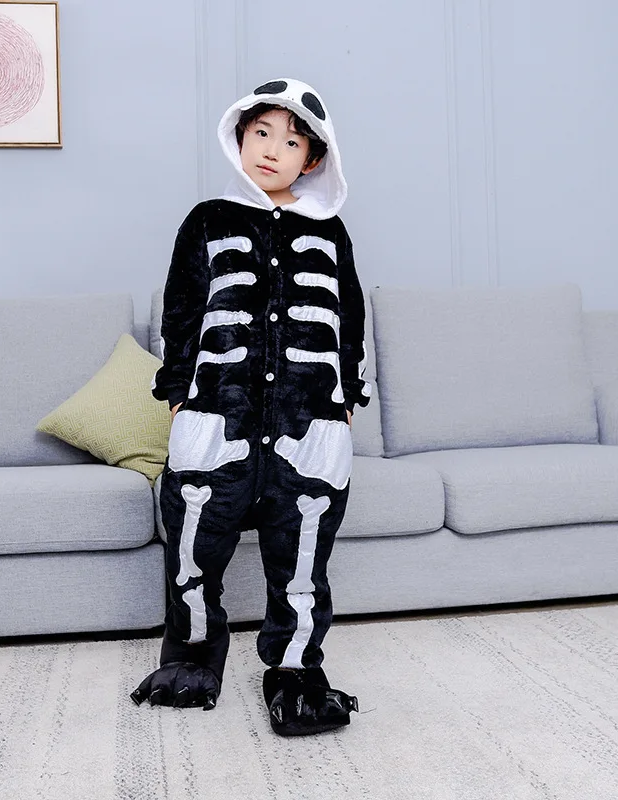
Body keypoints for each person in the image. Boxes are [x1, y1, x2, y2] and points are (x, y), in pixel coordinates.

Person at [130, 78, 371, 736]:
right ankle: (191, 660)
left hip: (307, 425)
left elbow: (349, 318)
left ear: (311, 160)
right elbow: (181, 312)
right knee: (195, 548)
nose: (271, 150)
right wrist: (178, 396)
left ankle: (295, 671)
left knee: (302, 561)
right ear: (239, 139)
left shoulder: (330, 232)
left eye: (290, 142)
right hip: (220, 420)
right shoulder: (208, 221)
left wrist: (347, 399)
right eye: (261, 133)